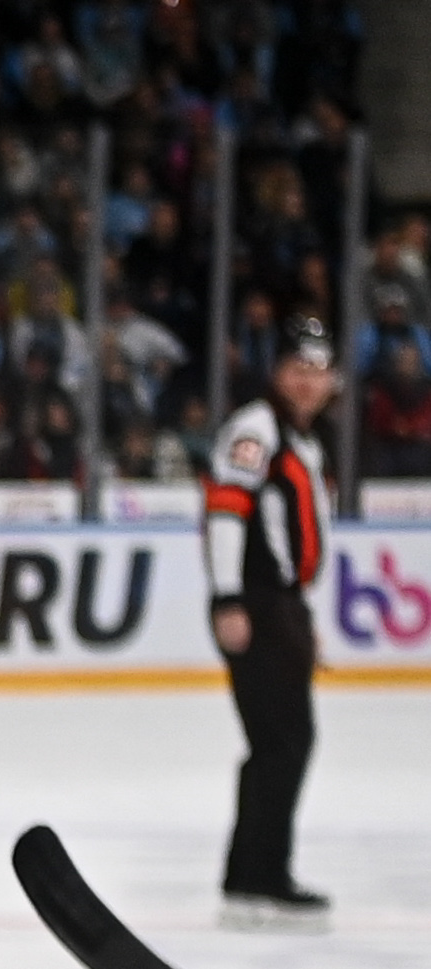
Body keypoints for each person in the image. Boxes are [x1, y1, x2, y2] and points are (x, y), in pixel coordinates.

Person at [207, 318, 337, 926]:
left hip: (280, 605)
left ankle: (252, 870)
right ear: (278, 373)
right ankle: (261, 872)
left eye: (319, 371)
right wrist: (227, 599)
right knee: (284, 740)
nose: (309, 382)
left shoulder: (303, 439)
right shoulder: (256, 429)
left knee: (281, 741)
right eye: (298, 369)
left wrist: (302, 615)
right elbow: (226, 512)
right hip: (257, 603)